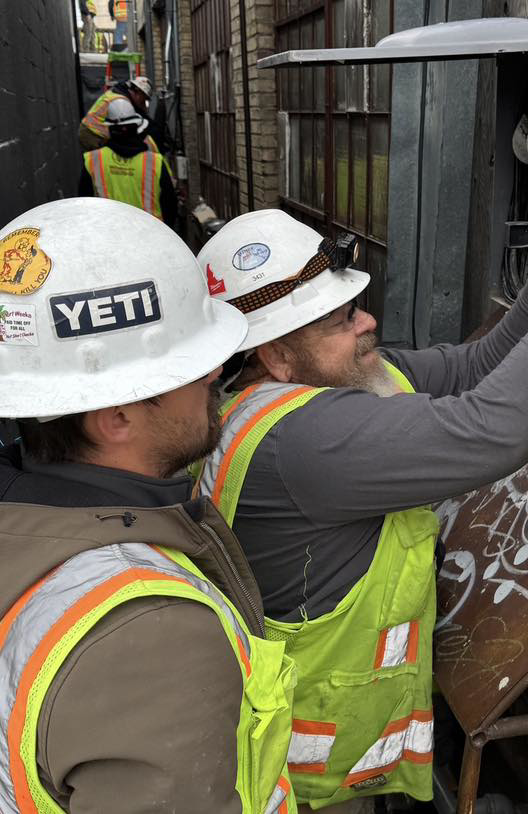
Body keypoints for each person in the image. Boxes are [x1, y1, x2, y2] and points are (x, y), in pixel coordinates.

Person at [195, 186, 528, 811]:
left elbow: (474, 368)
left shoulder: (292, 399)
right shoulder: (305, 441)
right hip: (306, 783)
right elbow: (495, 427)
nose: (367, 323)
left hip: (324, 748)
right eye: (342, 320)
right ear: (276, 356)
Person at [0, 196, 297, 814]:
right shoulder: (150, 632)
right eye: (190, 365)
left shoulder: (24, 522)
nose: (215, 375)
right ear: (117, 417)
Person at [79, 97, 177, 228]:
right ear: (136, 127)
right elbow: (170, 205)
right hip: (149, 235)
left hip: (110, 235)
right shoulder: (155, 162)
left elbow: (83, 206)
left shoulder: (93, 160)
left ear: (110, 129)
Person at [79, 76, 153, 152]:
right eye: (144, 99)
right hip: (93, 133)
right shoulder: (121, 103)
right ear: (139, 93)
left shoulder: (118, 94)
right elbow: (125, 131)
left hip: (91, 130)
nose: (143, 104)